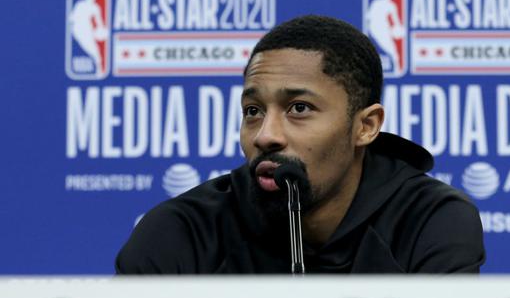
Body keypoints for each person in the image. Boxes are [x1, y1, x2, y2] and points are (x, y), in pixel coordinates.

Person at [116, 15, 485, 274]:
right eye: (253, 110)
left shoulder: (428, 222)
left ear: (366, 126)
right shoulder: (181, 232)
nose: (265, 135)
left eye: (299, 108)